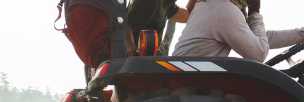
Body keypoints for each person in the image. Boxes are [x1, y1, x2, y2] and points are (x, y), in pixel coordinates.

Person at [174, 0, 304, 61]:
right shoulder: (224, 9)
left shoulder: (211, 5)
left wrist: (300, 34)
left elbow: (259, 40)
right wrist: (254, 12)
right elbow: (259, 53)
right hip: (190, 83)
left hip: (188, 78)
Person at [128, 0, 193, 43]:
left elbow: (185, 16)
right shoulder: (150, 2)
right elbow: (124, 25)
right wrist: (131, 50)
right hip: (129, 58)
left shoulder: (166, 3)